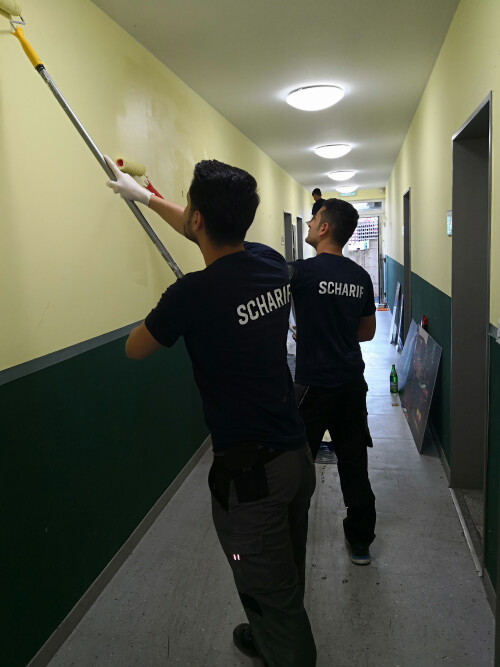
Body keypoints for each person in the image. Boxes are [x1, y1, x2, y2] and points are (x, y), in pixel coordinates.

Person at [104, 156, 317, 667]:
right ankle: (268, 633)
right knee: (284, 567)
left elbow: (135, 348)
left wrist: (172, 309)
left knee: (267, 584)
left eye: (190, 209)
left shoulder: (192, 295)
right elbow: (197, 229)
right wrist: (144, 196)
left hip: (252, 481)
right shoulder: (271, 263)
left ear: (199, 218)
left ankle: (281, 643)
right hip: (295, 456)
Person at [289, 198, 376, 566]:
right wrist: (336, 333)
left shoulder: (300, 272)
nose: (309, 224)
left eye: (313, 219)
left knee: (296, 467)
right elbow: (367, 332)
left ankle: (289, 542)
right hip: (351, 384)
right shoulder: (361, 277)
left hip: (312, 387)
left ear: (324, 228)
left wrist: (313, 334)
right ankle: (360, 543)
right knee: (354, 464)